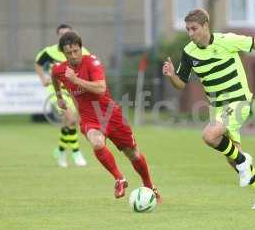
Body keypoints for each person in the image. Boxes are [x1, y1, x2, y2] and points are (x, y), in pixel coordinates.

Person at [162, 9, 255, 210]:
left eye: (193, 28)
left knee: (210, 135)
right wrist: (171, 75)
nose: (190, 33)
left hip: (238, 100)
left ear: (205, 26)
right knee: (233, 160)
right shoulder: (188, 52)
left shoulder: (227, 40)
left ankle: (243, 159)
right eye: (187, 29)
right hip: (218, 108)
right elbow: (181, 84)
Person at [51, 31, 162, 200]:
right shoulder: (61, 70)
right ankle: (119, 178)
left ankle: (148, 185)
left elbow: (101, 88)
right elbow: (54, 75)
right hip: (89, 118)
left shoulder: (92, 62)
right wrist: (59, 97)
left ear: (81, 49)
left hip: (111, 115)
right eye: (69, 53)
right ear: (64, 54)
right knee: (96, 142)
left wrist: (76, 81)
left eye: (76, 51)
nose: (73, 56)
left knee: (133, 153)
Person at [35, 24, 88, 167]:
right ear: (58, 37)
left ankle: (61, 151)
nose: (64, 36)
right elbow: (38, 63)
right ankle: (76, 153)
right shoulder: (49, 51)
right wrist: (43, 78)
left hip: (73, 90)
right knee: (70, 119)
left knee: (69, 122)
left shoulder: (81, 51)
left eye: (67, 33)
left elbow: (88, 65)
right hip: (56, 90)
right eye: (61, 34)